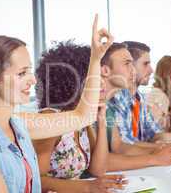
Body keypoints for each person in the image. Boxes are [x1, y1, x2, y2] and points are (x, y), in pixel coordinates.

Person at [0, 14, 113, 193]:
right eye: (22, 73)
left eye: (30, 71)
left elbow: (84, 116)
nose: (33, 80)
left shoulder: (19, 124)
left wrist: (95, 58)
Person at [34, 41, 126, 193]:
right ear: (74, 82)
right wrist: (87, 187)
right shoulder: (50, 117)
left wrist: (101, 120)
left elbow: (98, 169)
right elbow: (37, 180)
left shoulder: (81, 118)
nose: (101, 83)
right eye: (95, 77)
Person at [107, 41, 171, 154]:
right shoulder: (117, 98)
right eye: (145, 64)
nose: (151, 70)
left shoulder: (138, 98)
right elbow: (125, 145)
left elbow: (154, 134)